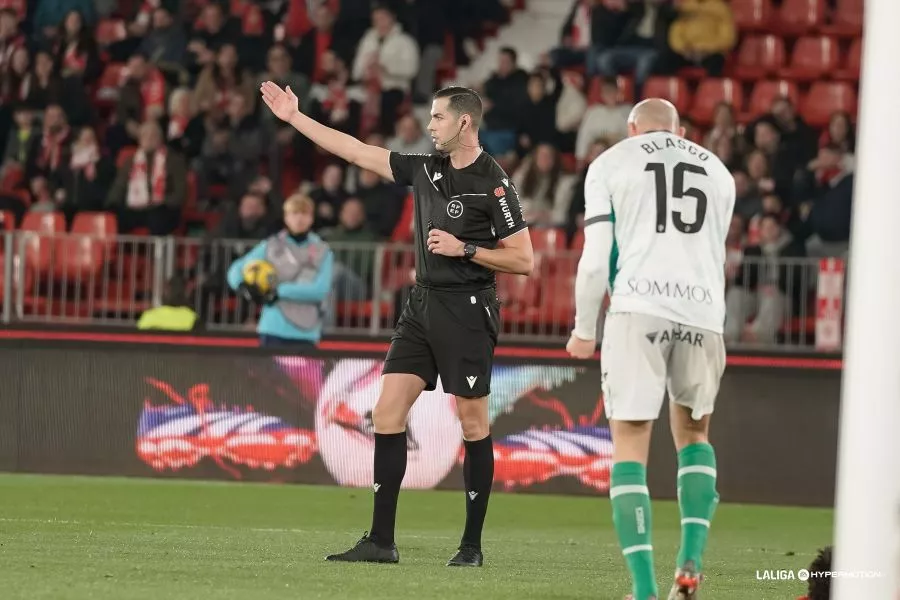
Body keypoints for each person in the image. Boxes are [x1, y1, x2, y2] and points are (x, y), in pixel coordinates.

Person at [259, 81, 534, 566]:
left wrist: (466, 249)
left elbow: (524, 260)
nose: (430, 126)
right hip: (422, 305)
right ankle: (381, 542)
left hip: (468, 310)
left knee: (473, 424)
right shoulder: (426, 169)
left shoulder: (495, 183)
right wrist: (296, 119)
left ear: (464, 122)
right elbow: (356, 151)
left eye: (438, 117)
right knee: (386, 413)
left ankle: (471, 547)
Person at [565, 99, 735, 600]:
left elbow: (595, 258)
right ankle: (691, 564)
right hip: (703, 314)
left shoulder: (612, 162)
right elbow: (714, 253)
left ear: (632, 128)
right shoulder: (719, 172)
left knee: (630, 444)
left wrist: (584, 328)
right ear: (679, 131)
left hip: (638, 309)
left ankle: (643, 590)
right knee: (695, 435)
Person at [226, 194, 334, 348]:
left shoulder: (322, 251)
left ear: (311, 218)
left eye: (304, 213)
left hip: (306, 332)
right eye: (294, 213)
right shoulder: (271, 245)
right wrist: (243, 286)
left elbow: (320, 290)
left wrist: (278, 292)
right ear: (286, 217)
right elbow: (236, 269)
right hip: (272, 328)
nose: (299, 218)